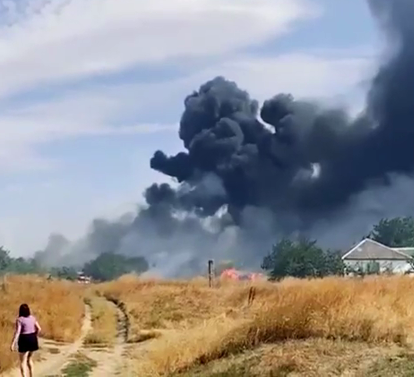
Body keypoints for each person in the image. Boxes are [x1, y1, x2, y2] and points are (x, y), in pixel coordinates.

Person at [10, 304, 41, 377]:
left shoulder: (20, 320)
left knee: (23, 361)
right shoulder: (33, 318)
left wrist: (13, 343)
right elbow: (39, 329)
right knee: (29, 359)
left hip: (24, 339)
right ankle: (32, 375)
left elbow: (18, 332)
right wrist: (35, 335)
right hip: (32, 338)